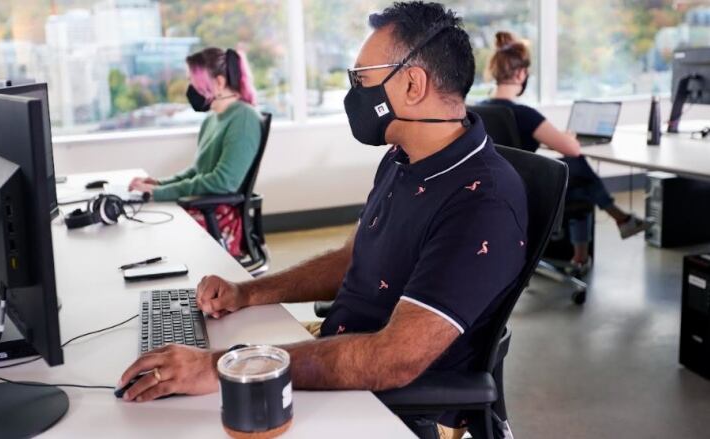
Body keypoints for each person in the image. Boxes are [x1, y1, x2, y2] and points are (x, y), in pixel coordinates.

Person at [120, 3, 527, 438]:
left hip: (393, 408)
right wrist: (246, 292)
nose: (353, 94)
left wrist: (232, 366)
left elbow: (393, 360)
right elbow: (353, 258)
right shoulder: (403, 158)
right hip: (338, 356)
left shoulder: (482, 202)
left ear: (413, 83)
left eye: (362, 80)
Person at [481, 31, 649, 275]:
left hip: (499, 191)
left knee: (577, 177)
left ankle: (599, 240)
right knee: (576, 165)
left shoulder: (481, 110)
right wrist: (567, 138)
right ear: (520, 74)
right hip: (527, 195)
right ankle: (614, 223)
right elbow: (572, 148)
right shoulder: (524, 114)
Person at [128, 47, 262, 257]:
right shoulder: (212, 120)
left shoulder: (244, 119)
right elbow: (198, 171)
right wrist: (159, 184)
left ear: (218, 82)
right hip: (204, 208)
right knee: (139, 221)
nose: (191, 88)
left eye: (196, 82)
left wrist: (160, 193)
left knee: (148, 229)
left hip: (220, 221)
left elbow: (223, 181)